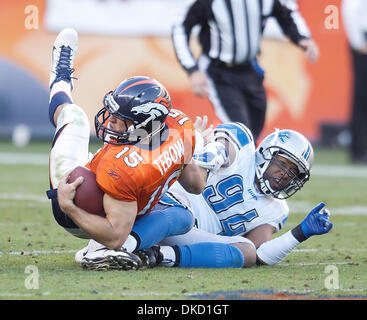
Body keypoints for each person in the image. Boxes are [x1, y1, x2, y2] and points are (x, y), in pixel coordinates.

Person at [46, 28, 223, 271]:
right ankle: (61, 79)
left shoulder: (125, 166)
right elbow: (195, 184)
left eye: (120, 120)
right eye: (113, 115)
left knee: (74, 117)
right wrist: (196, 148)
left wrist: (69, 207)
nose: (110, 124)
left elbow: (114, 235)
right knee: (179, 214)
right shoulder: (180, 127)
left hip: (77, 205)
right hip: (97, 190)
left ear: (147, 125)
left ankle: (98, 250)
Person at [131, 121, 333, 268]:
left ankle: (155, 256)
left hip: (190, 235)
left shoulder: (276, 210)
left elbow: (259, 254)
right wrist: (202, 146)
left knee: (247, 252)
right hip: (171, 203)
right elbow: (222, 149)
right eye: (283, 164)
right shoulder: (244, 146)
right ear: (266, 153)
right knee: (180, 215)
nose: (285, 175)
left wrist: (301, 233)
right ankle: (125, 245)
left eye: (294, 172)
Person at [171, 0, 319, 141]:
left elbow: (287, 13)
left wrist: (302, 37)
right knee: (240, 132)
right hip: (219, 72)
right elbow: (180, 27)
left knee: (254, 130)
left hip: (250, 69)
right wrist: (192, 69)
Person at [342, 0, 367, 163]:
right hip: (363, 39)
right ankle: (359, 150)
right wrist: (358, 41)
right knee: (363, 97)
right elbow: (349, 8)